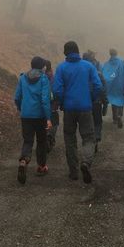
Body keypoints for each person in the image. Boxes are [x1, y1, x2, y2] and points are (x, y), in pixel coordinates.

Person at [53, 41, 103, 183]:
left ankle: (73, 172)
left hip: (69, 109)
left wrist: (62, 102)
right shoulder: (88, 66)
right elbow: (98, 85)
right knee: (88, 138)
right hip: (85, 108)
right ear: (77, 51)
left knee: (70, 139)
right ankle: (86, 163)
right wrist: (91, 99)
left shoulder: (61, 68)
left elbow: (57, 90)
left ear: (66, 53)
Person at [14, 56, 52, 185]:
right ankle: (41, 167)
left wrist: (21, 108)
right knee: (41, 141)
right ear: (42, 67)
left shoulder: (23, 77)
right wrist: (48, 118)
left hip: (26, 115)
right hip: (40, 116)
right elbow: (45, 100)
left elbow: (17, 97)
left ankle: (24, 160)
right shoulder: (43, 79)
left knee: (28, 140)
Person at [82, 50, 108, 151]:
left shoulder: (80, 74)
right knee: (97, 122)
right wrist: (105, 102)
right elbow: (102, 89)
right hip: (96, 102)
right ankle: (96, 138)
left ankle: (89, 141)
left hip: (84, 102)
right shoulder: (98, 73)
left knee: (88, 123)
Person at [102, 48, 124, 128]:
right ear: (116, 53)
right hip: (121, 84)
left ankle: (115, 118)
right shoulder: (123, 62)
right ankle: (120, 115)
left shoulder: (107, 63)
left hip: (112, 86)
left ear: (110, 54)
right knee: (121, 99)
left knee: (114, 101)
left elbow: (104, 74)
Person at [45, 60, 60, 153]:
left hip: (41, 106)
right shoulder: (54, 78)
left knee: (43, 122)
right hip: (53, 106)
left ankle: (45, 136)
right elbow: (58, 91)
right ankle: (51, 136)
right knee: (54, 122)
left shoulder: (39, 77)